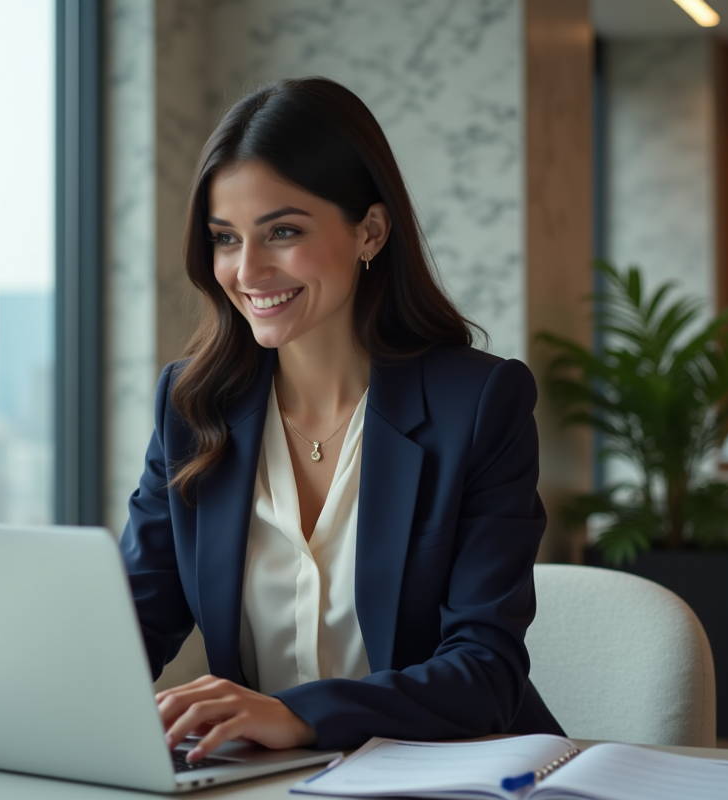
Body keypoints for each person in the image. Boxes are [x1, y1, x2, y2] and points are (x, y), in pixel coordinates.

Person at [120, 77, 563, 764]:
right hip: (268, 784)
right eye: (225, 238)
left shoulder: (478, 406)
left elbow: (486, 674)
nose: (248, 269)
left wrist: (294, 714)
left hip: (451, 777)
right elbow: (130, 628)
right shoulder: (191, 406)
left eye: (284, 232)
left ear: (371, 232)